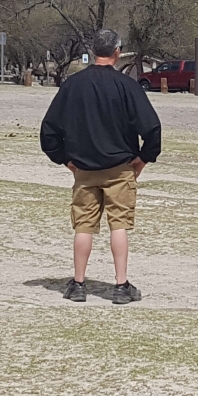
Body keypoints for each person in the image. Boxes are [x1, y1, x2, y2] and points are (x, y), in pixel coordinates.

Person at [40, 29, 162, 305]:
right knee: (119, 225)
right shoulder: (127, 86)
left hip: (84, 169)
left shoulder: (73, 85)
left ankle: (78, 284)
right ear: (117, 52)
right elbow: (152, 128)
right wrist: (144, 158)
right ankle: (121, 285)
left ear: (94, 51)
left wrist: (65, 160)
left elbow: (49, 131)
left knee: (83, 227)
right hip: (120, 167)